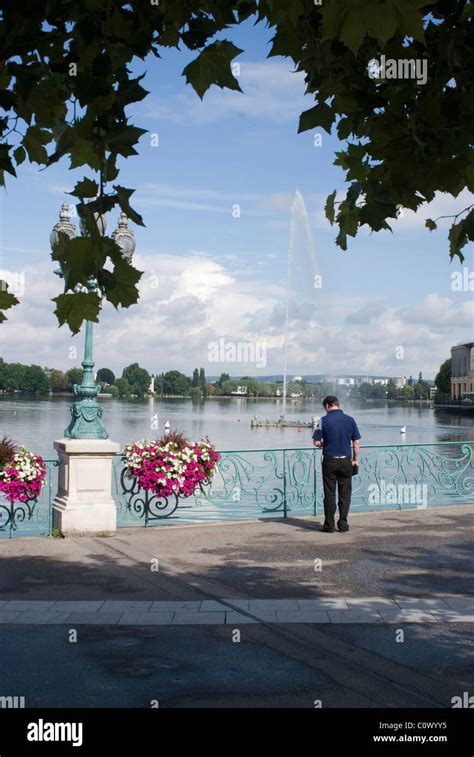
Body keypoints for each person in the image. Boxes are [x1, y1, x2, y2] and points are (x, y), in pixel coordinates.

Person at [312, 396, 361, 533]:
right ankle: (343, 524)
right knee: (345, 494)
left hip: (330, 461)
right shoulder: (350, 420)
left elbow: (316, 442)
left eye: (325, 407)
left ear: (328, 405)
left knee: (330, 494)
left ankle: (329, 525)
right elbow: (356, 443)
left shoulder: (323, 420)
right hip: (346, 461)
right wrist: (355, 460)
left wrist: (324, 444)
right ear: (337, 405)